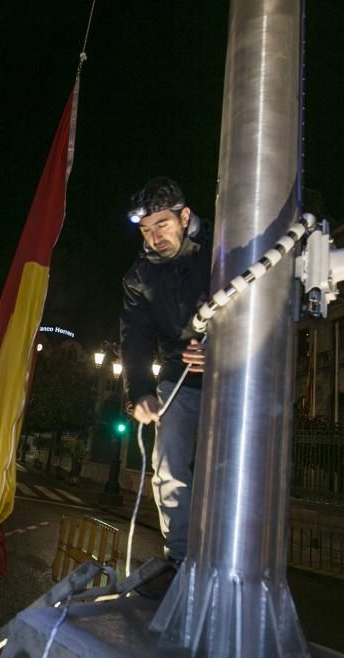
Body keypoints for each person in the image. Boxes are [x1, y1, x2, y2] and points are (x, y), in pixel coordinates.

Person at [120, 176, 210, 594]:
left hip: (237, 372)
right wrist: (139, 390)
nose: (154, 237)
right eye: (145, 230)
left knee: (229, 468)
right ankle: (181, 561)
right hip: (179, 376)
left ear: (185, 216)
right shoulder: (139, 277)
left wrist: (224, 349)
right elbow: (134, 337)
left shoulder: (221, 246)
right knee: (168, 467)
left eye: (162, 225)